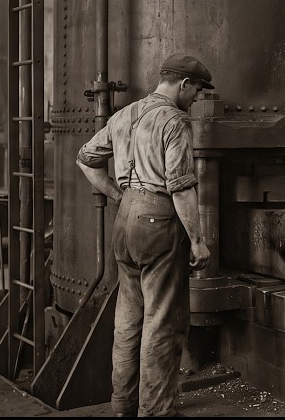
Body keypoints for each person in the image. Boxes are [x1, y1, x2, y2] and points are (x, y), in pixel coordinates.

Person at [76, 52, 215, 417]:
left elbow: (85, 158)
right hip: (159, 220)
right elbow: (181, 186)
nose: (197, 98)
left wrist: (117, 194)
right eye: (197, 90)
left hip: (125, 221)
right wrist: (198, 240)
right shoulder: (174, 120)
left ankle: (122, 405)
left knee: (128, 318)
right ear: (183, 84)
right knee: (162, 320)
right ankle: (155, 411)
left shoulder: (124, 115)